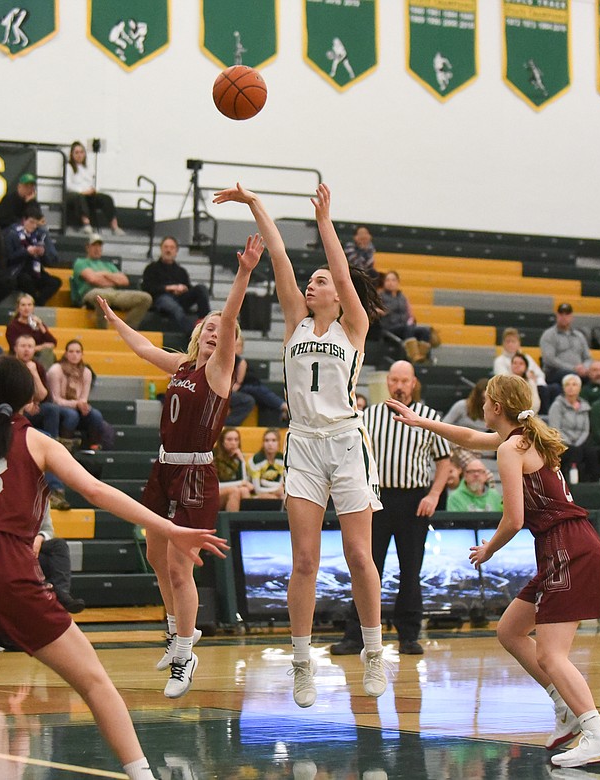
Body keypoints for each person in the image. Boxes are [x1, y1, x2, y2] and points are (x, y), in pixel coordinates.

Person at [0, 355, 227, 780]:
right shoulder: (39, 442)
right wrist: (169, 528)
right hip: (10, 571)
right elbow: (96, 490)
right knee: (93, 682)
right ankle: (141, 774)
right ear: (31, 400)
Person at [385, 375, 600, 769]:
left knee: (551, 653)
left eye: (486, 401)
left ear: (496, 406)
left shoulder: (514, 448)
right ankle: (564, 705)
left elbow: (514, 518)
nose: (481, 407)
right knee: (510, 630)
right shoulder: (522, 438)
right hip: (566, 545)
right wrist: (420, 422)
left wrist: (487, 550)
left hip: (568, 548)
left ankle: (598, 735)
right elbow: (468, 438)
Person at [214, 182, 391, 706]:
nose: (312, 286)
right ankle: (300, 662)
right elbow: (280, 258)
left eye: (322, 282)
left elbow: (337, 269)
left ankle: (374, 651)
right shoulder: (295, 322)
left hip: (346, 443)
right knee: (305, 561)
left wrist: (325, 223)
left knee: (360, 555)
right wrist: (255, 205)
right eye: (311, 282)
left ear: (338, 293)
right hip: (305, 445)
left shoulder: (353, 326)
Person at [98, 223, 260, 699]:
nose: (215, 331)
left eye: (221, 330)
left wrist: (244, 275)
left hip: (195, 472)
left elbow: (229, 318)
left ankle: (186, 654)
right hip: (165, 466)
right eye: (208, 327)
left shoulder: (218, 369)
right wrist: (115, 321)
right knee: (153, 554)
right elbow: (146, 348)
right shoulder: (183, 365)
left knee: (177, 567)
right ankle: (176, 632)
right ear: (196, 334)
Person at [359, 360, 452, 657]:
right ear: (387, 382)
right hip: (376, 500)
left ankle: (409, 635)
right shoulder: (367, 417)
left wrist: (434, 495)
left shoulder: (429, 417)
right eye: (394, 380)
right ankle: (357, 633)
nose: (399, 386)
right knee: (366, 567)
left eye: (405, 381)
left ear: (413, 384)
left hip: (414, 501)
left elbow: (443, 462)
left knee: (410, 570)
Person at [72, 234, 151, 327]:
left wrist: (104, 274)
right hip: (91, 292)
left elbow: (124, 280)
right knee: (101, 297)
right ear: (87, 247)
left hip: (113, 293)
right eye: (94, 245)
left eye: (99, 246)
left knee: (145, 298)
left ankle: (127, 330)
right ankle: (102, 331)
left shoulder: (109, 265)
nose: (97, 249)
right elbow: (92, 279)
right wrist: (113, 279)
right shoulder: (80, 262)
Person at [141, 236, 212, 336]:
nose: (168, 250)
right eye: (166, 247)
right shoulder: (151, 268)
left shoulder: (181, 271)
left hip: (180, 297)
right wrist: (168, 288)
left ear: (176, 251)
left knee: (201, 289)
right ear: (161, 249)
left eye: (171, 247)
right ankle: (194, 334)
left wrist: (183, 289)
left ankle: (205, 322)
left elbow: (188, 286)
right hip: (160, 298)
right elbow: (147, 287)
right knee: (174, 307)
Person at [46, 340, 106, 449]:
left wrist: (82, 404)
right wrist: (77, 404)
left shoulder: (86, 372)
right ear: (65, 353)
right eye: (71, 351)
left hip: (77, 405)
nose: (74, 355)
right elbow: (55, 399)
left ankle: (93, 447)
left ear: (82, 354)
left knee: (96, 415)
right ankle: (64, 446)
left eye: (78, 352)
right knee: (71, 415)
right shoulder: (55, 370)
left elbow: (84, 398)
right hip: (58, 406)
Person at [3, 204, 62, 306]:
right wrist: (26, 252)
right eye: (31, 222)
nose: (33, 226)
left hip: (36, 271)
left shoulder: (39, 235)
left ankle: (38, 302)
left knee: (55, 282)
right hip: (18, 271)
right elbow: (9, 258)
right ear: (24, 220)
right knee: (25, 279)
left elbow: (50, 262)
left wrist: (42, 253)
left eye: (36, 223)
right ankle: (36, 302)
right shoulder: (12, 234)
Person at [225, 334, 289, 426]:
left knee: (257, 390)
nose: (235, 348)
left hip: (240, 388)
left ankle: (282, 407)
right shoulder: (225, 360)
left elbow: (238, 384)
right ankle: (282, 406)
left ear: (242, 348)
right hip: (230, 390)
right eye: (233, 344)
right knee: (257, 391)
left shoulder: (240, 362)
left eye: (238, 345)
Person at [64, 141, 124, 235]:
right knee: (80, 197)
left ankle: (114, 226)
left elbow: (91, 181)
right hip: (74, 195)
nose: (79, 155)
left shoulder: (88, 167)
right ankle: (86, 225)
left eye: (81, 152)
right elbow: (68, 185)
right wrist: (83, 191)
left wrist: (93, 190)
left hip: (89, 193)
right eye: (76, 153)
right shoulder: (68, 167)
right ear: (72, 154)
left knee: (107, 199)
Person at [12, 333, 65, 439]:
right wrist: (23, 405)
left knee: (52, 409)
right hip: (12, 410)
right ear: (15, 348)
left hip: (32, 409)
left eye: (30, 346)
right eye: (23, 346)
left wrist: (34, 372)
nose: (26, 349)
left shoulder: (37, 367)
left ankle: (53, 443)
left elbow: (43, 396)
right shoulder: (8, 365)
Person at [548, 375, 596, 482]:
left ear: (579, 388)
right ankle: (570, 484)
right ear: (563, 387)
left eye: (574, 384)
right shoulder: (557, 406)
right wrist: (569, 442)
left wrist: (578, 442)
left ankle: (589, 484)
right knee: (574, 452)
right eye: (567, 385)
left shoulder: (585, 406)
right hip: (562, 442)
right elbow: (555, 429)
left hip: (580, 441)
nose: (571, 387)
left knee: (591, 453)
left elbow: (585, 429)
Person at [379, 270, 434, 363]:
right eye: (387, 280)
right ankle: (414, 356)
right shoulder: (380, 296)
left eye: (393, 280)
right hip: (389, 327)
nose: (390, 283)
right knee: (407, 329)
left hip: (405, 326)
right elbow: (377, 311)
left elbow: (410, 313)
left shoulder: (402, 297)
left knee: (425, 331)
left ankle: (422, 357)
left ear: (398, 282)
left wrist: (411, 320)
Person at [540, 303, 591, 385]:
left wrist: (585, 367)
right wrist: (573, 368)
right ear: (557, 316)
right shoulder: (549, 335)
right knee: (573, 377)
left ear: (572, 316)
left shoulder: (579, 336)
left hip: (578, 371)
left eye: (567, 314)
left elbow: (588, 358)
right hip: (555, 372)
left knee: (599, 375)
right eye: (561, 314)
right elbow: (549, 360)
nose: (564, 317)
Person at [5, 293, 58, 365]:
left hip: (38, 356)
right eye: (23, 305)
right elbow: (16, 348)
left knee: (48, 353)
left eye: (29, 305)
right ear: (18, 308)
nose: (26, 308)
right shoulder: (12, 326)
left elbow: (53, 342)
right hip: (20, 357)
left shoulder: (38, 323)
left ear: (33, 307)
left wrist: (41, 326)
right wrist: (39, 347)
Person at [214, 427, 255, 511]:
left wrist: (242, 462)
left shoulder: (237, 458)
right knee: (234, 491)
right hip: (214, 494)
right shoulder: (213, 457)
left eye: (236, 440)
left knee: (244, 490)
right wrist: (240, 483)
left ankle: (247, 522)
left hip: (232, 489)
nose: (233, 443)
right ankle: (232, 523)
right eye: (229, 439)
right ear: (222, 442)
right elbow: (215, 485)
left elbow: (244, 481)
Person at [247, 429, 286, 500]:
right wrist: (275, 491)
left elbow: (281, 485)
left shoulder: (282, 459)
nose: (270, 444)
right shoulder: (255, 460)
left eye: (274, 440)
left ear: (279, 443)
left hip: (278, 494)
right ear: (263, 443)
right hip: (255, 495)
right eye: (266, 440)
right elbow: (257, 490)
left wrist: (264, 482)